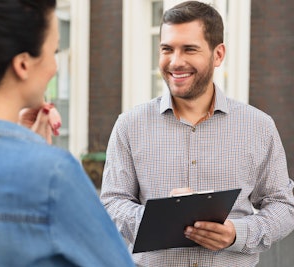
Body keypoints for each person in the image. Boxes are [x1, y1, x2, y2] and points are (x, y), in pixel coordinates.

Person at [0, 1, 135, 266]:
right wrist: (35, 154)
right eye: (53, 51)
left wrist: (28, 145)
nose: (55, 66)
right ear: (22, 64)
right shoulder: (53, 173)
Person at [100, 1, 294, 266]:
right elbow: (112, 203)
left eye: (189, 49)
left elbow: (283, 206)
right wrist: (160, 219)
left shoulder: (258, 127)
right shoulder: (129, 125)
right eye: (167, 49)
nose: (175, 62)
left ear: (218, 54)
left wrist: (237, 234)